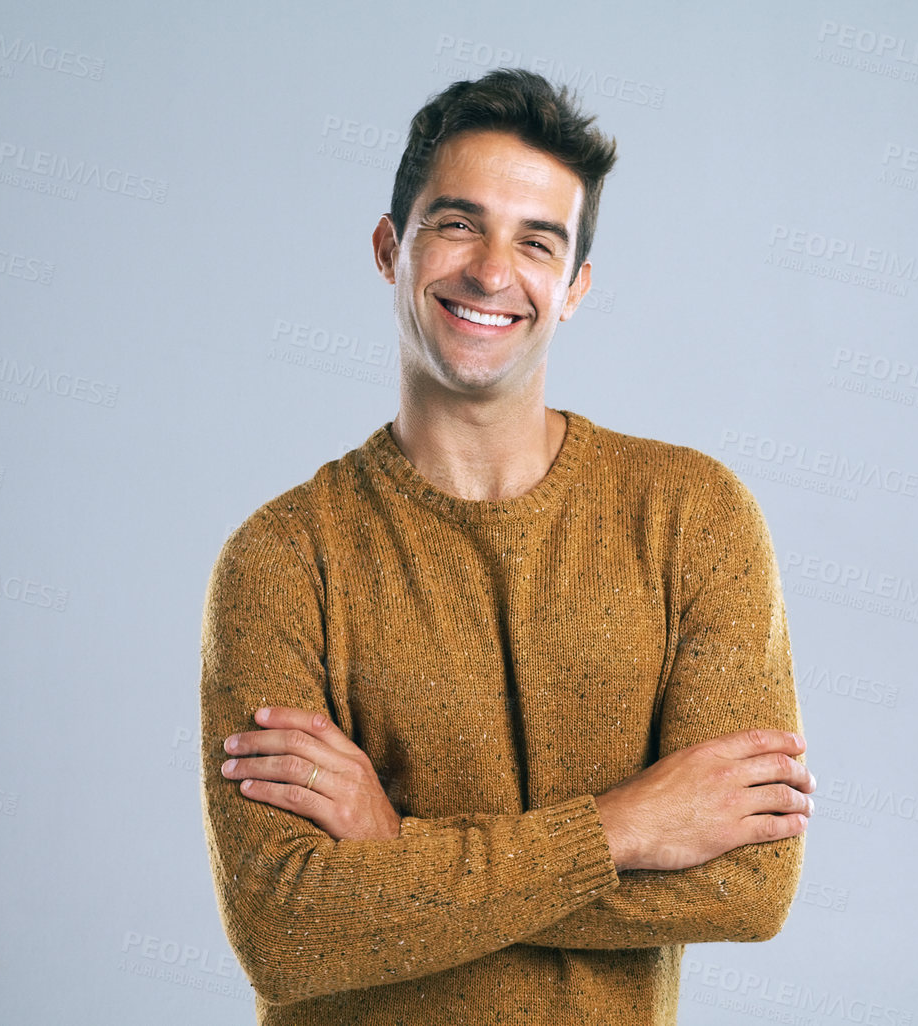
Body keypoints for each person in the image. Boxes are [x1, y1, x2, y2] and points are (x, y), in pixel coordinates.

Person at [198, 67, 813, 1025]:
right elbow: (286, 932)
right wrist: (626, 827)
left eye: (536, 242)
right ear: (386, 249)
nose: (492, 271)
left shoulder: (694, 517)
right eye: (456, 224)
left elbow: (746, 887)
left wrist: (395, 846)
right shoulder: (282, 559)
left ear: (573, 289)